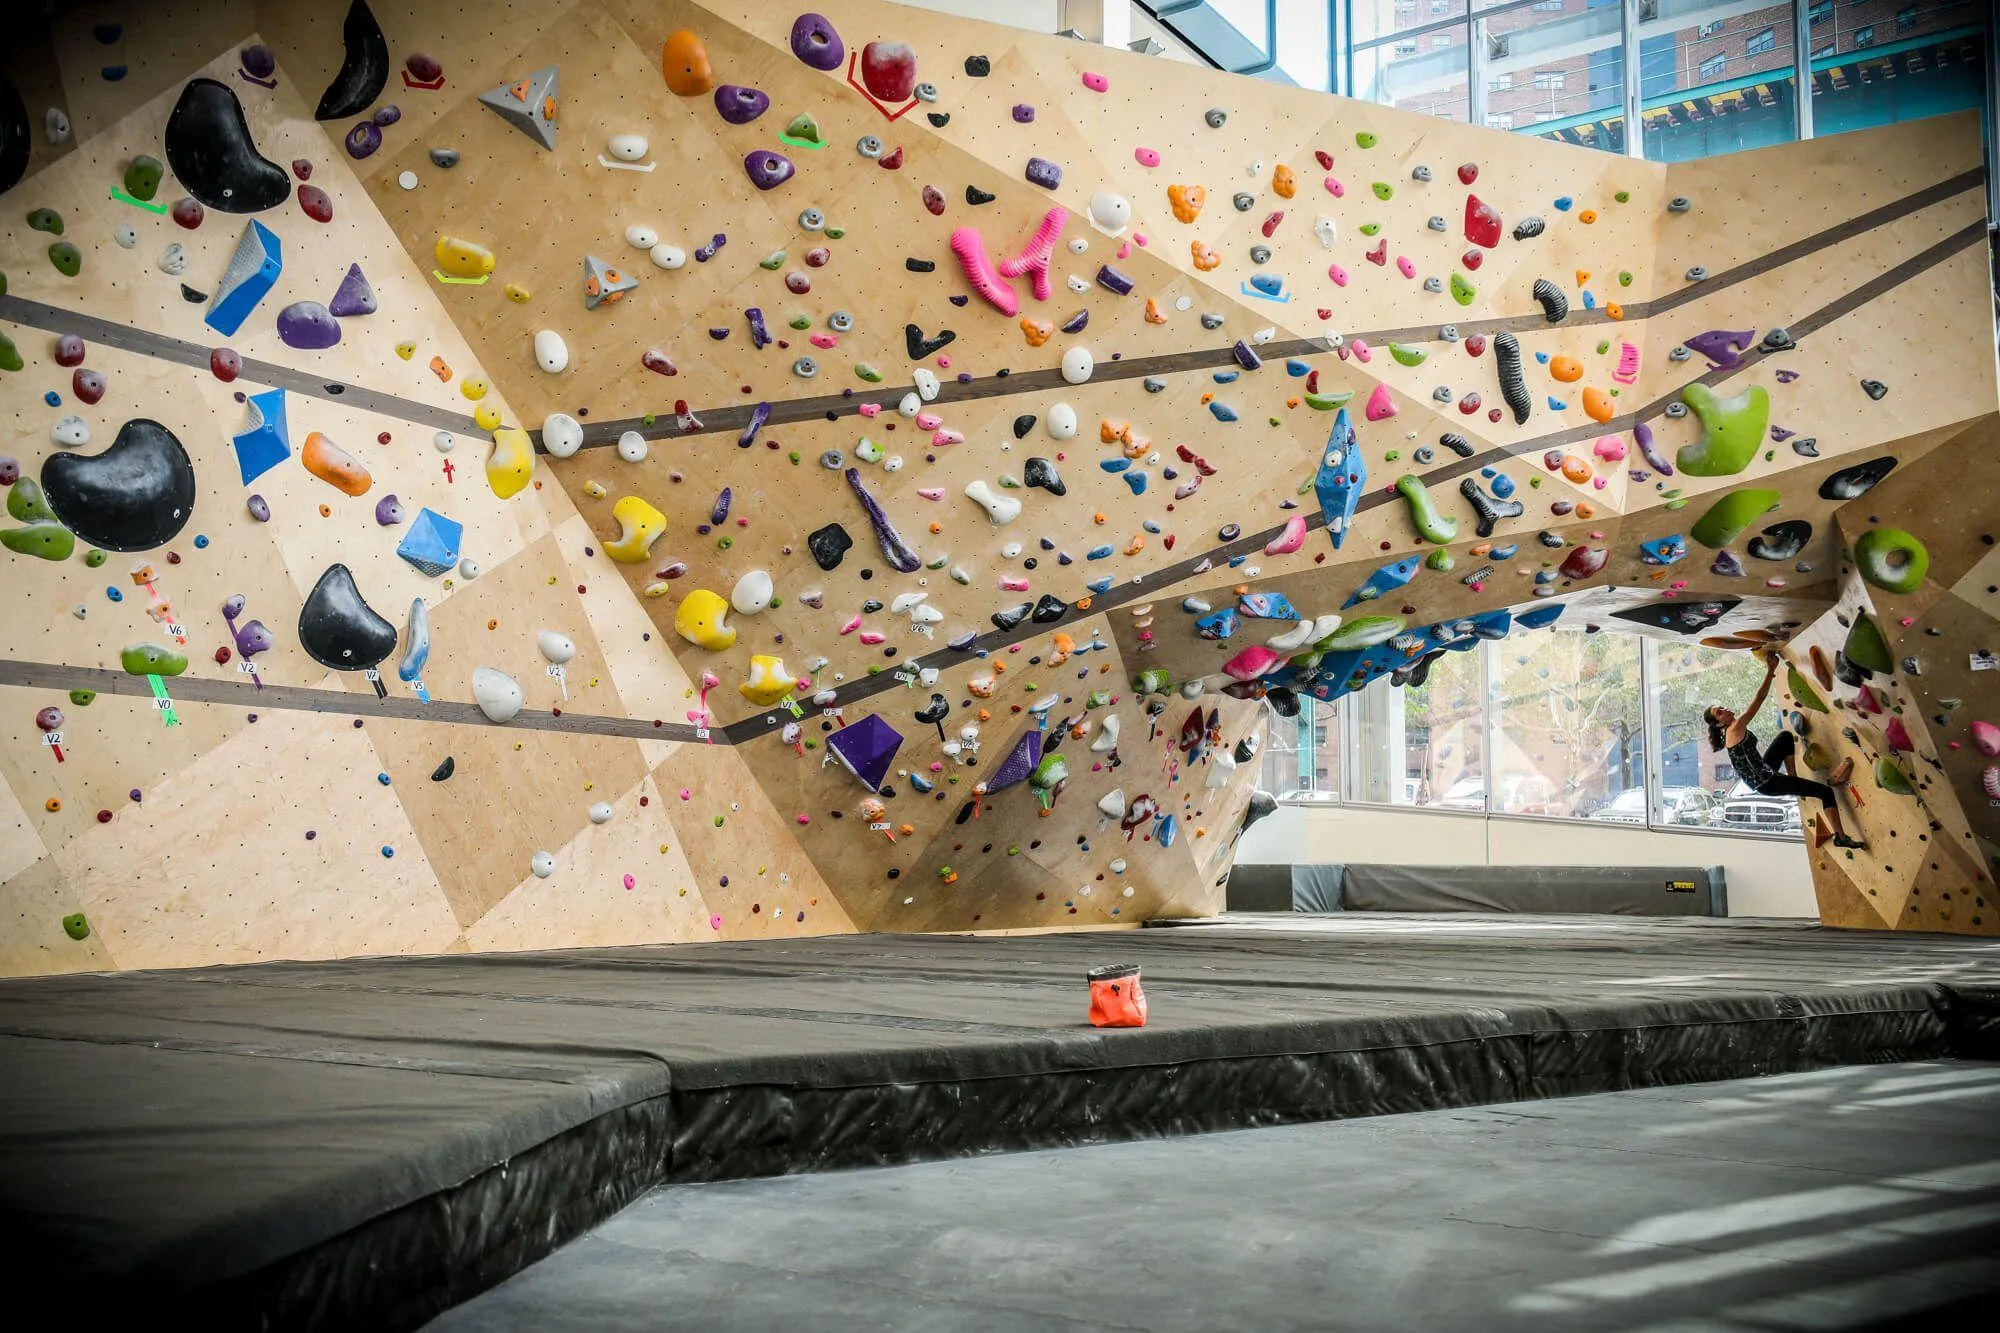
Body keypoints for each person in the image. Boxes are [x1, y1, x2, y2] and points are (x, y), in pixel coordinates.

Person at [1704, 652, 1864, 849]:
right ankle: (1840, 837)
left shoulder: (1734, 728)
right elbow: (1759, 699)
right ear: (1719, 724)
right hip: (1767, 783)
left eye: (1721, 707)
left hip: (1764, 771)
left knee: (1785, 737)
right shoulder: (1734, 728)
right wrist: (1770, 669)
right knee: (1826, 792)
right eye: (1719, 713)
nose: (1725, 710)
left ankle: (1793, 779)